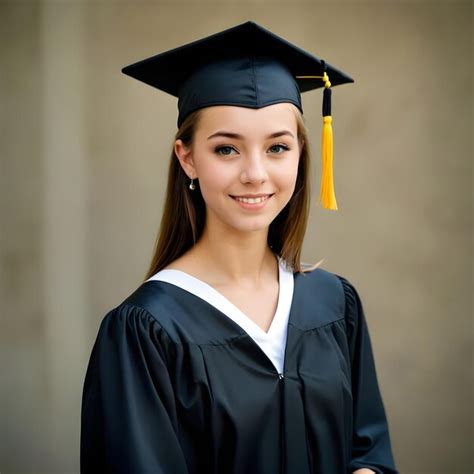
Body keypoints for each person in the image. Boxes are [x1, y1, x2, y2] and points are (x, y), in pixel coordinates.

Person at [80, 21, 398, 474]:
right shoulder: (146, 330)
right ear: (186, 156)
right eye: (227, 149)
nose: (255, 173)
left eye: (278, 147)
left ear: (302, 155)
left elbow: (369, 452)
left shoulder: (334, 304)